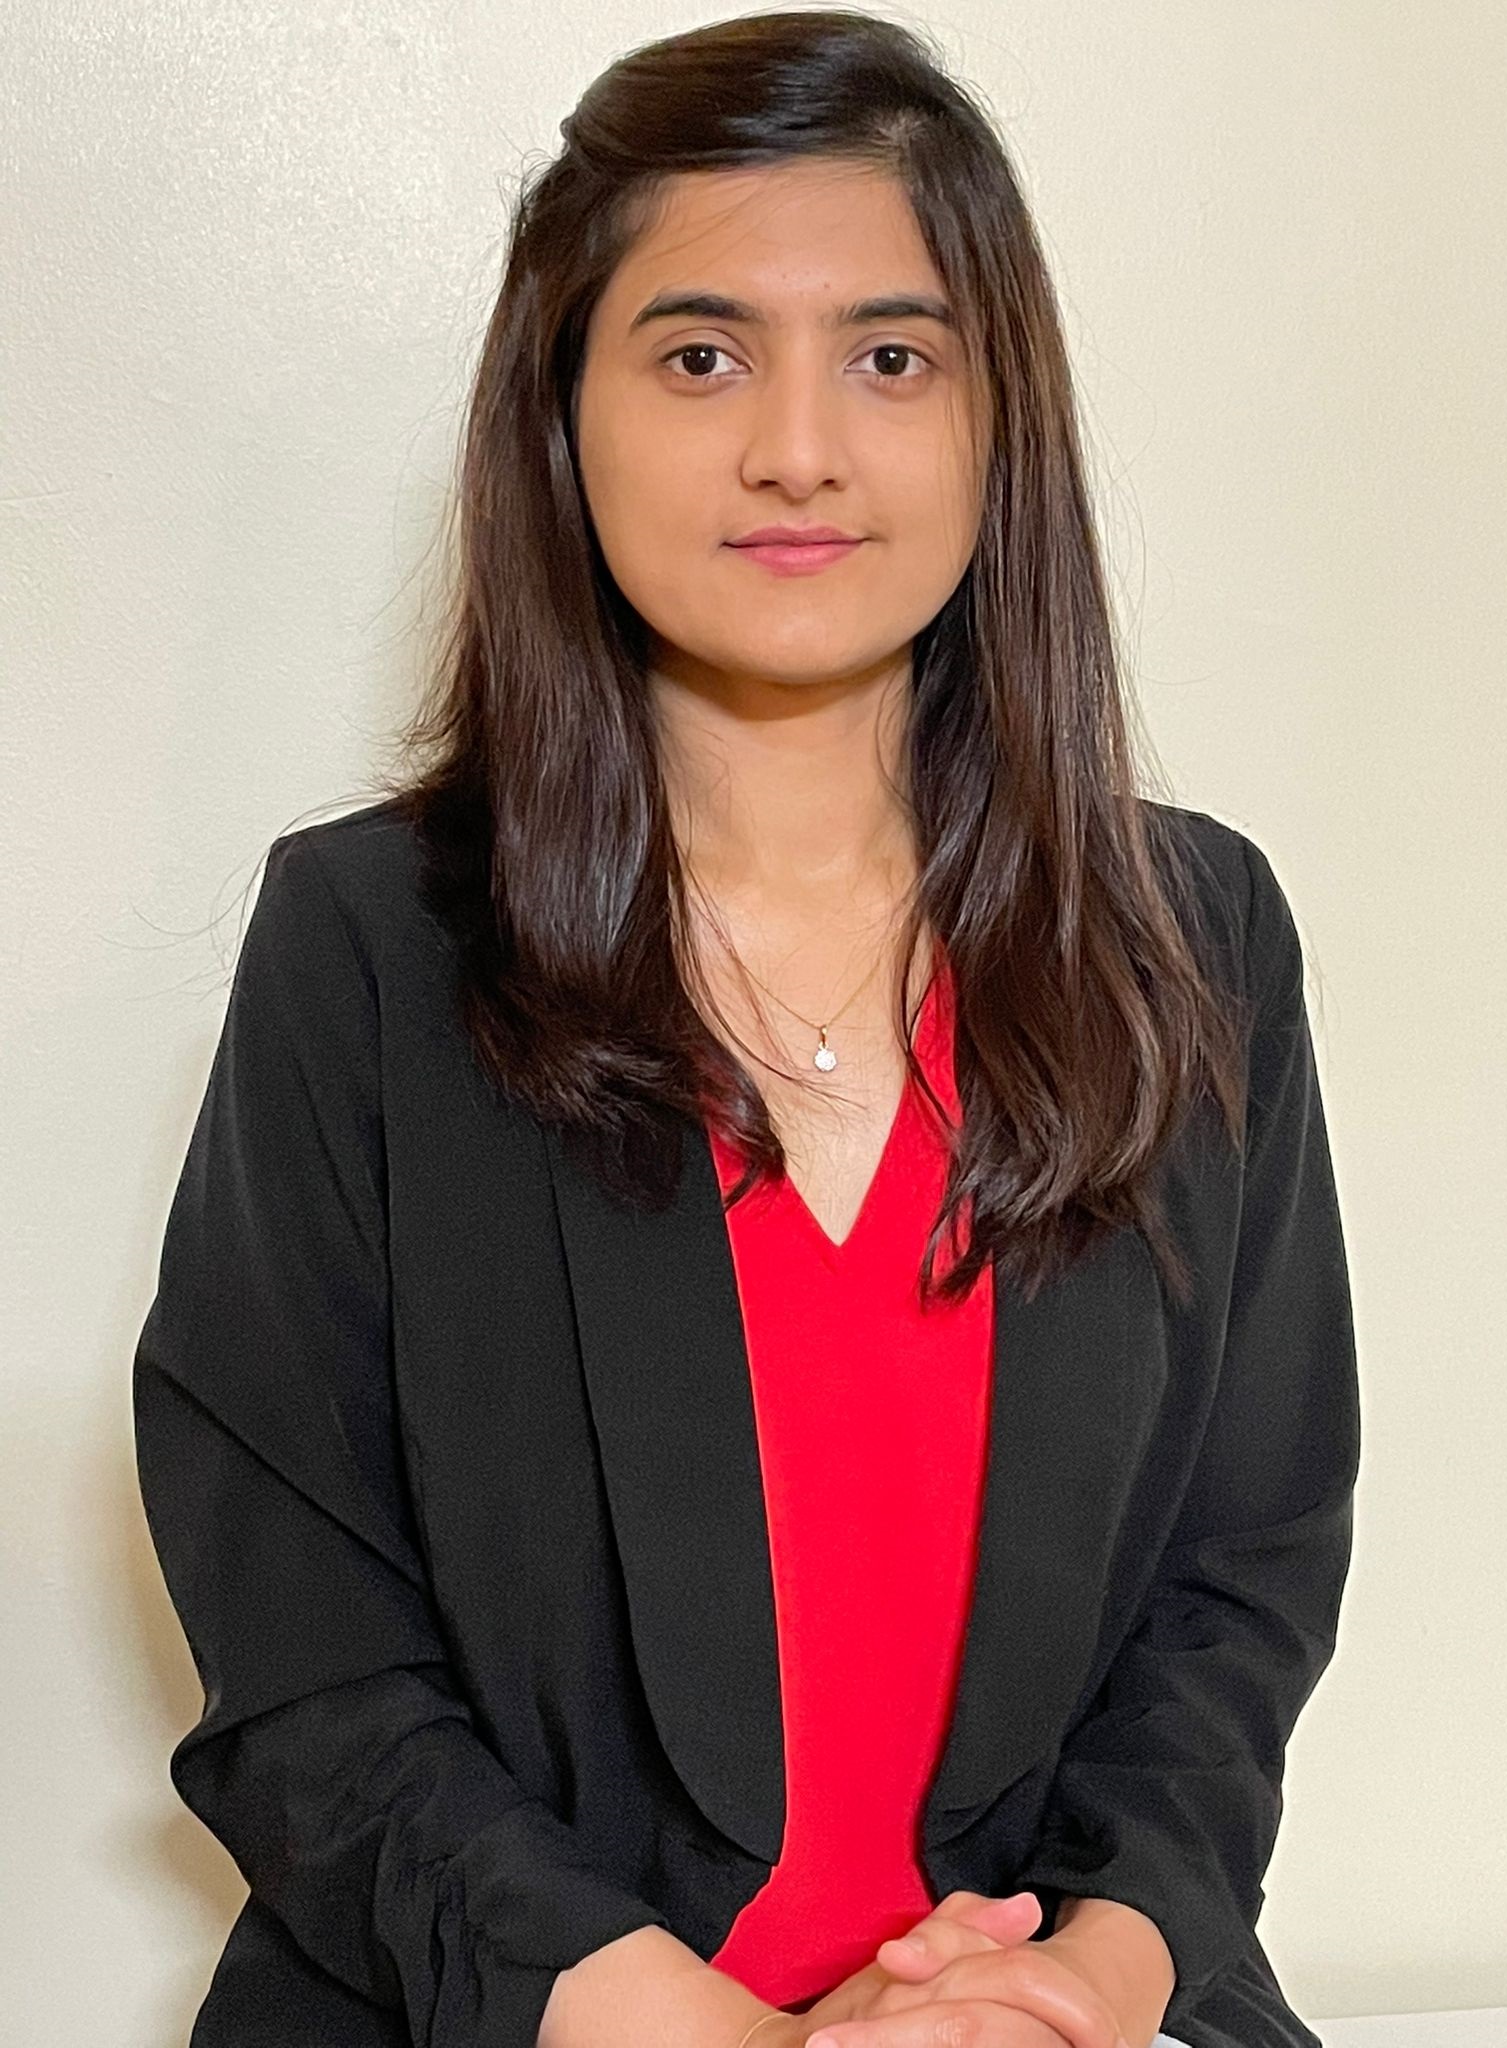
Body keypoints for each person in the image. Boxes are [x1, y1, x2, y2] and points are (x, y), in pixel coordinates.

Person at [132, 12, 1359, 2048]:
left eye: (893, 356)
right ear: (564, 413)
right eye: (702, 355)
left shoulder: (1192, 932)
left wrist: (1074, 1987)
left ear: (996, 423)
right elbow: (305, 1664)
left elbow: (1245, 1580)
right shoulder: (366, 945)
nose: (800, 445)